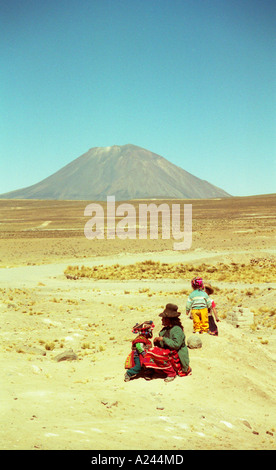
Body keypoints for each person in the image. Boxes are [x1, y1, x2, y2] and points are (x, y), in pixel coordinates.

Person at [143, 304, 191, 382]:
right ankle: (150, 369)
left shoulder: (177, 329)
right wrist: (157, 342)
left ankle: (171, 373)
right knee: (150, 351)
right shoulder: (165, 329)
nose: (162, 320)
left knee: (158, 354)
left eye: (163, 318)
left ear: (169, 319)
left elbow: (176, 345)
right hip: (169, 352)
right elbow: (163, 344)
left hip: (176, 354)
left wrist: (163, 339)